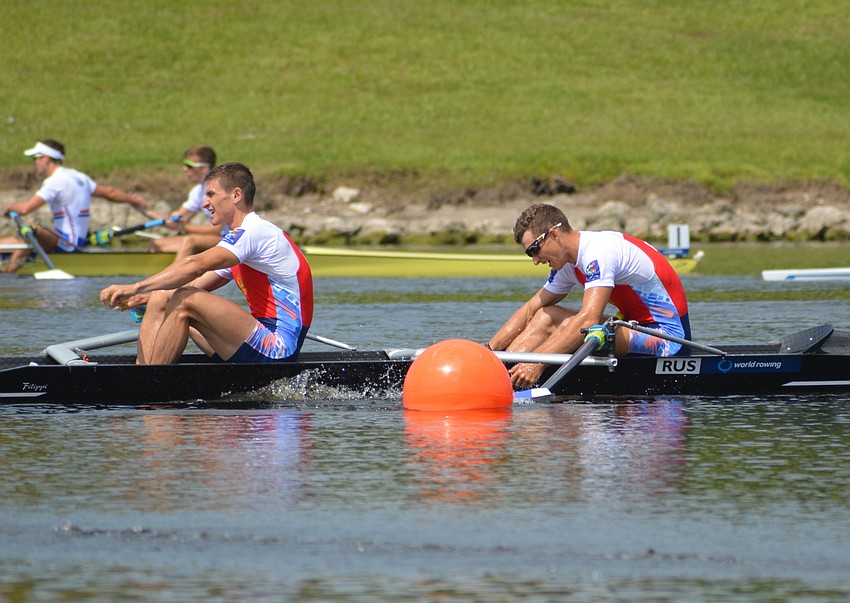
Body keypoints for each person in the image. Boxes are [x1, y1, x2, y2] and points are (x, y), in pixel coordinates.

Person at [99, 162, 314, 365]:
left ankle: (151, 383)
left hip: (278, 348)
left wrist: (134, 286)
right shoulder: (240, 241)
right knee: (164, 295)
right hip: (258, 340)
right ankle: (143, 372)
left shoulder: (255, 232)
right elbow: (196, 282)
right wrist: (147, 298)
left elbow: (194, 265)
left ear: (236, 195)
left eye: (211, 194)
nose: (204, 203)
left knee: (184, 299)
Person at [488, 203, 690, 389]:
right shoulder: (567, 264)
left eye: (534, 250)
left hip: (668, 338)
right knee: (545, 316)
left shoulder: (599, 251)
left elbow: (589, 318)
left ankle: (517, 376)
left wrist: (539, 363)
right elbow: (532, 309)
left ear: (554, 235)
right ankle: (498, 373)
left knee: (578, 325)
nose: (535, 260)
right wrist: (489, 350)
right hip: (633, 326)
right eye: (529, 254)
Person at [1, 139, 149, 273]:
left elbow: (26, 208)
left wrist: (9, 208)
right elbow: (110, 193)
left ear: (45, 159)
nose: (35, 163)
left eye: (36, 159)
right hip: (76, 241)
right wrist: (132, 199)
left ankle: (10, 272)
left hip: (67, 245)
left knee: (33, 229)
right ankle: (15, 263)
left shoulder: (55, 181)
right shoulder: (79, 177)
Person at [147, 145, 227, 261]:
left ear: (204, 168)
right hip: (218, 238)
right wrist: (144, 209)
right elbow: (173, 223)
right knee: (156, 244)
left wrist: (186, 227)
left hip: (231, 238)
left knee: (189, 241)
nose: (184, 169)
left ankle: (176, 277)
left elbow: (217, 229)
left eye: (189, 166)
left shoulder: (218, 189)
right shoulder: (197, 192)